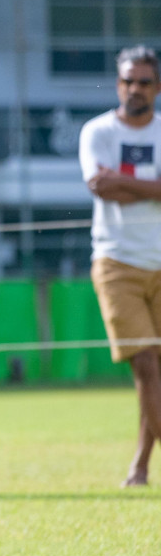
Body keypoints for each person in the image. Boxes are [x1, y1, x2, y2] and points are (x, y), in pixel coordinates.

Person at [79, 44, 161, 488]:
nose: (135, 89)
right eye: (128, 81)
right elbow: (99, 185)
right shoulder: (97, 132)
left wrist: (122, 182)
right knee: (145, 362)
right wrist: (152, 188)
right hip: (117, 262)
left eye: (144, 82)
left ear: (158, 87)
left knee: (157, 372)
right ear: (118, 84)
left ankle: (141, 466)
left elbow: (112, 184)